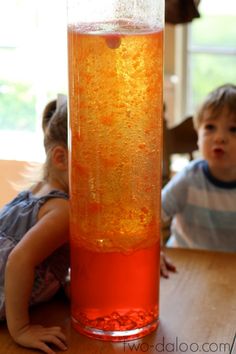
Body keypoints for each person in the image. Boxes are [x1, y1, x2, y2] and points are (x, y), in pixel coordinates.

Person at [0, 96, 69, 354]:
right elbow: (18, 260)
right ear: (61, 158)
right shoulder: (63, 211)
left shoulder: (39, 189)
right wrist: (21, 329)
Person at [162, 83, 236, 253]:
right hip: (184, 266)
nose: (220, 138)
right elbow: (152, 220)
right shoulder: (189, 178)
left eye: (233, 129)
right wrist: (154, 253)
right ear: (198, 136)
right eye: (210, 127)